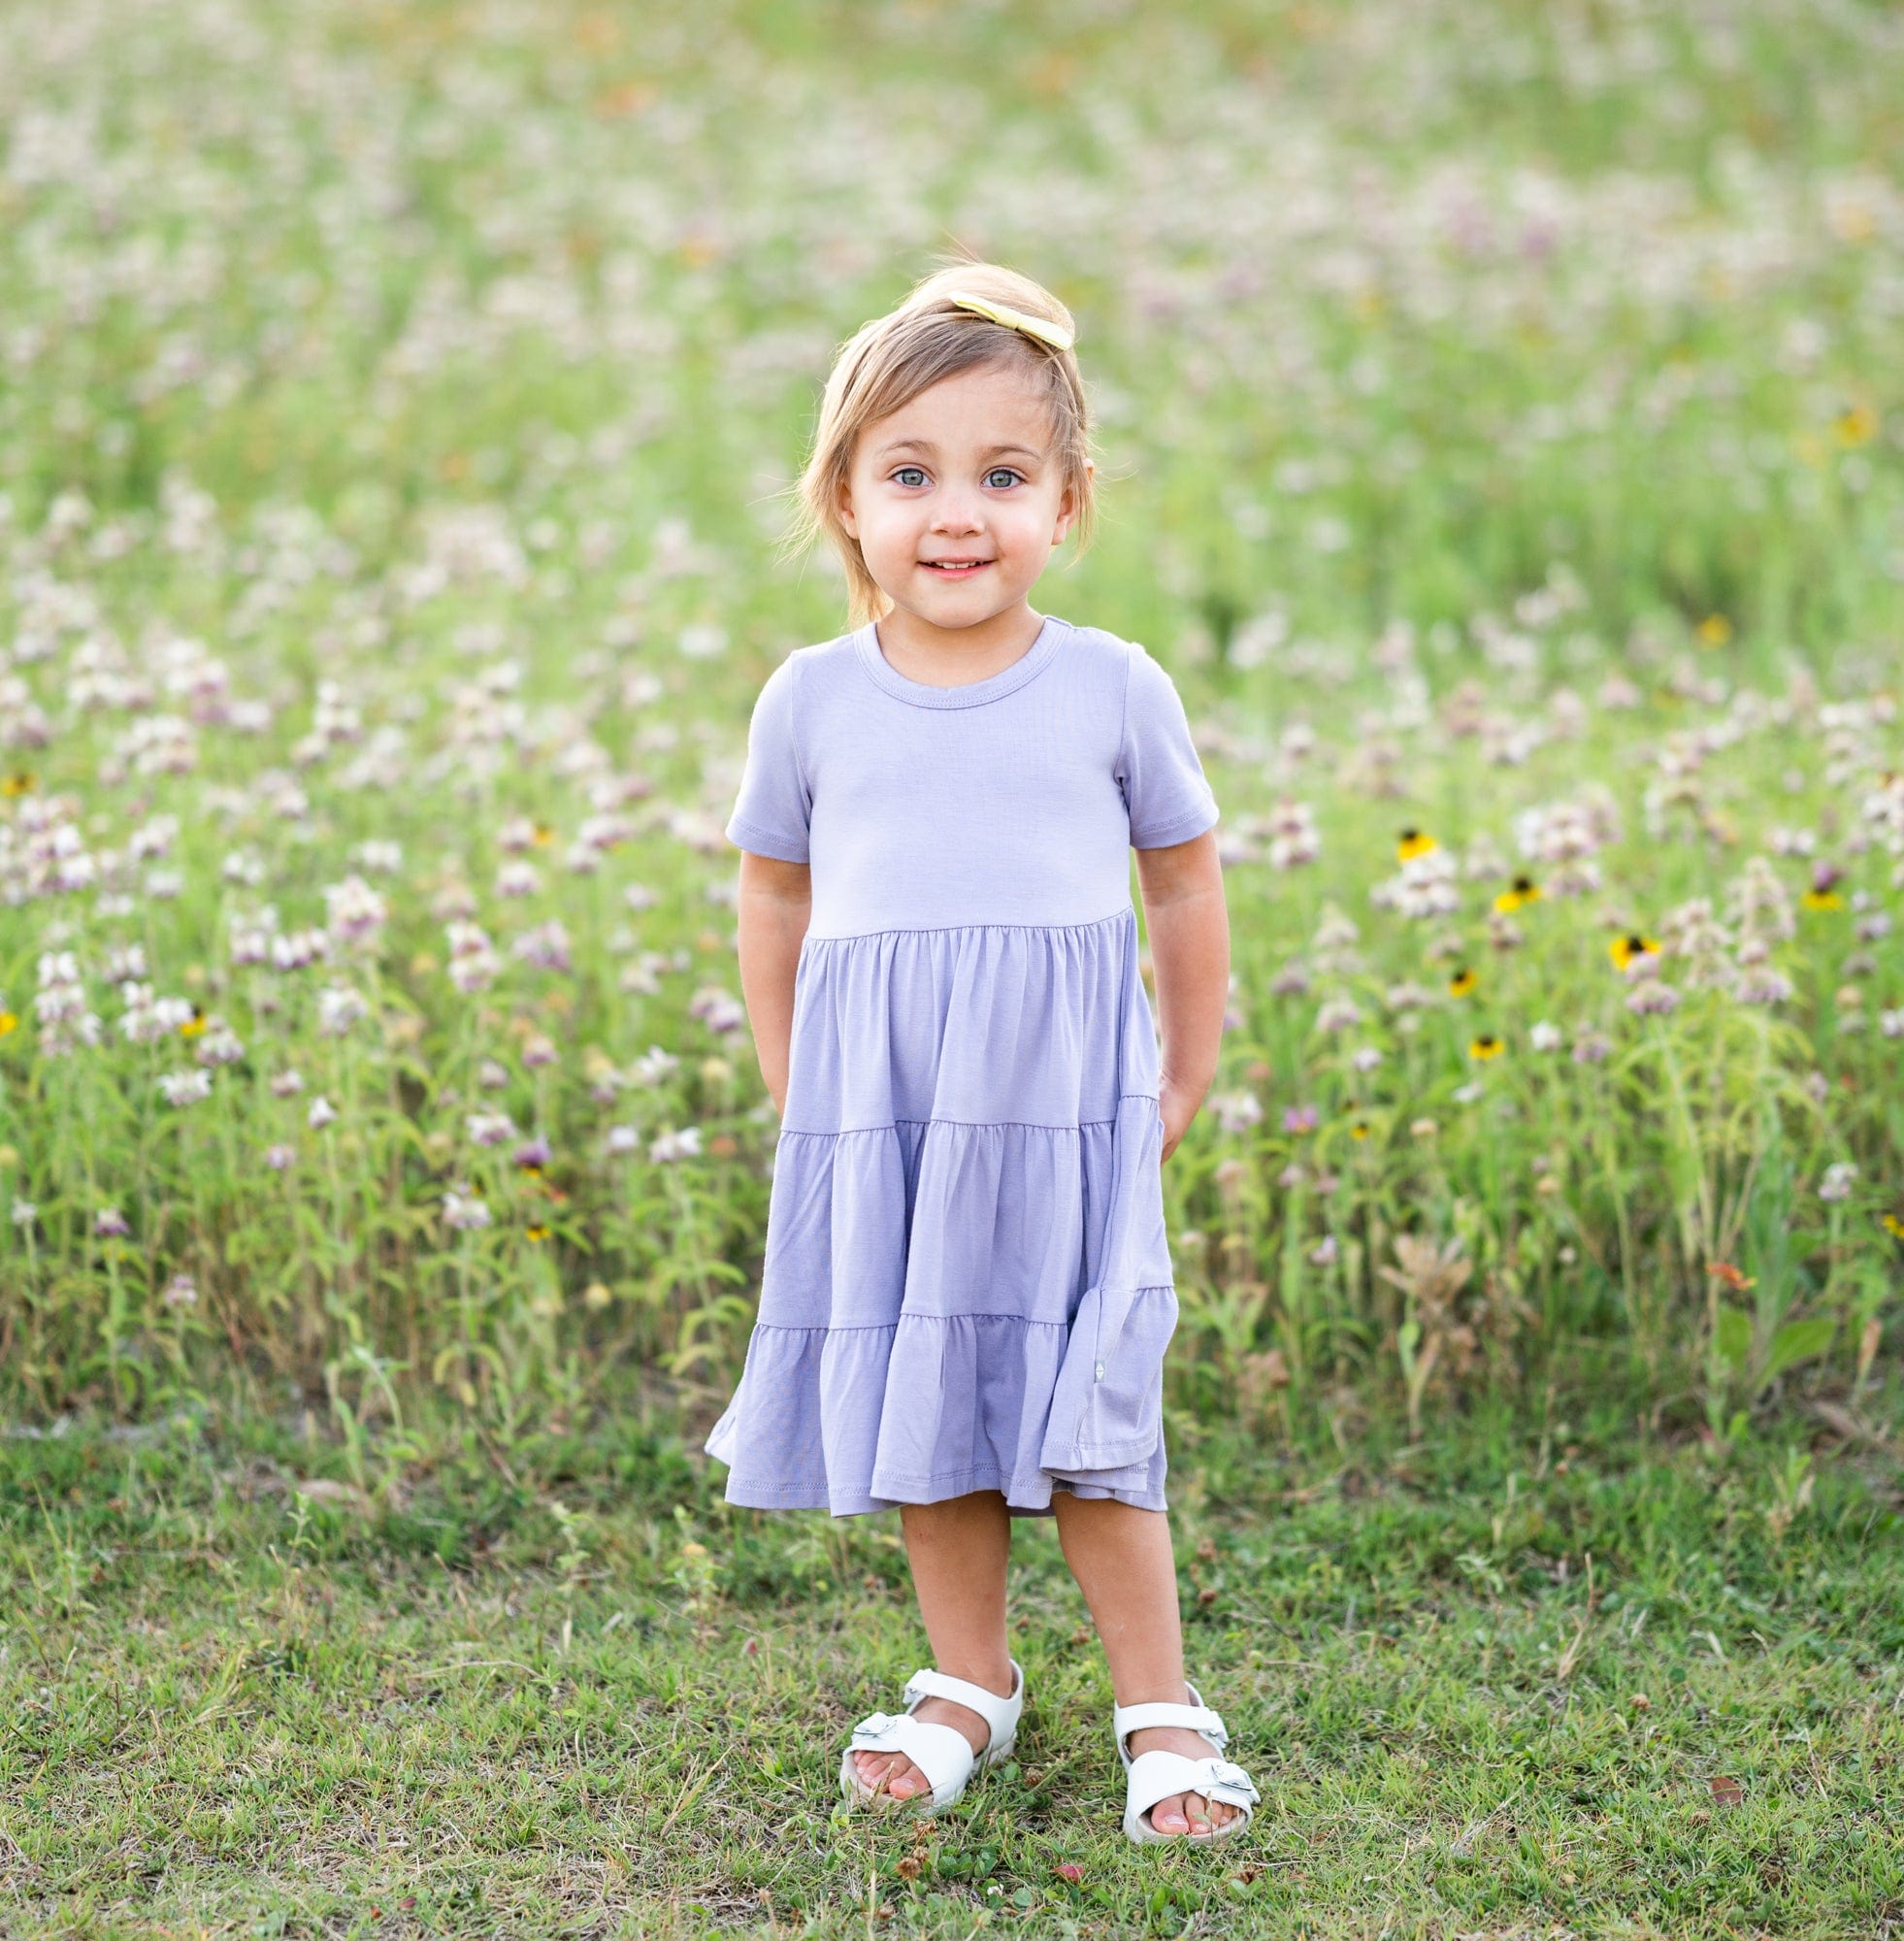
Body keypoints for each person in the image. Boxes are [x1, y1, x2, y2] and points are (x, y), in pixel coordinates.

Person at [703, 258, 1258, 1846]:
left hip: (1066, 1113)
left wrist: (1188, 1068)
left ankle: (1159, 1701)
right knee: (929, 1406)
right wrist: (799, 1079)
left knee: (1092, 1415)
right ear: (845, 501)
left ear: (1067, 505)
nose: (959, 512)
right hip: (892, 1119)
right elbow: (774, 891)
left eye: (1004, 476)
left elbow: (1184, 877)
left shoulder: (1109, 685)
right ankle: (972, 1681)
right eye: (912, 473)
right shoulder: (812, 701)